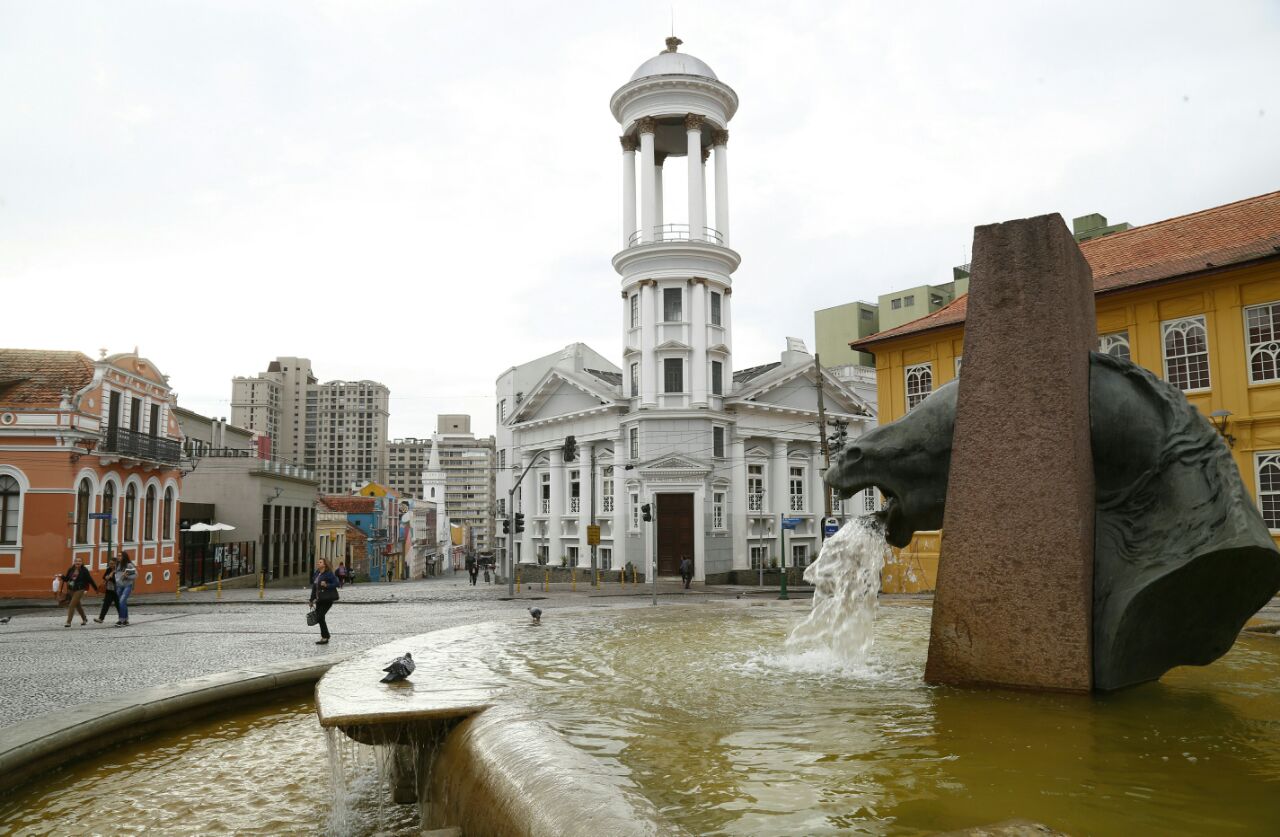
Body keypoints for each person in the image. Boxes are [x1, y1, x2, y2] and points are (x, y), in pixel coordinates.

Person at [60, 556, 98, 627]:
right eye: (76, 561)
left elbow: (90, 580)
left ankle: (68, 622)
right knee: (78, 606)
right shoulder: (71, 569)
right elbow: (67, 579)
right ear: (74, 562)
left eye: (79, 561)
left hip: (80, 589)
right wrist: (62, 576)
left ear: (82, 563)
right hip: (71, 589)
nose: (78, 562)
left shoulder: (84, 570)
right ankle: (84, 619)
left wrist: (96, 589)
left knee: (71, 605)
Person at [309, 558, 340, 645]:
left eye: (320, 562)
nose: (318, 563)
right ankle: (325, 637)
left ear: (325, 564)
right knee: (321, 618)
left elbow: (337, 583)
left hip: (327, 599)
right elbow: (314, 588)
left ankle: (325, 636)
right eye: (318, 562)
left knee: (319, 617)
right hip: (319, 599)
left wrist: (327, 585)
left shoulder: (329, 574)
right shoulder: (317, 574)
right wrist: (311, 600)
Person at [94, 558, 120, 624]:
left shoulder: (119, 570)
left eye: (112, 563)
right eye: (110, 563)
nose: (110, 565)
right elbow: (104, 576)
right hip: (109, 590)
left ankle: (123, 619)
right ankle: (101, 618)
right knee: (105, 605)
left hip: (117, 591)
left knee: (118, 606)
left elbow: (117, 580)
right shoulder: (109, 569)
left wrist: (110, 577)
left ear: (116, 564)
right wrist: (107, 577)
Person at [114, 553, 137, 627]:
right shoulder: (117, 565)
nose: (118, 557)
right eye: (118, 556)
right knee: (122, 602)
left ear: (124, 557)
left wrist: (127, 576)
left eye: (120, 556)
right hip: (119, 586)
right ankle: (126, 620)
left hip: (127, 585)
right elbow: (117, 575)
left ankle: (121, 620)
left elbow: (135, 575)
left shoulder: (129, 565)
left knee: (122, 601)